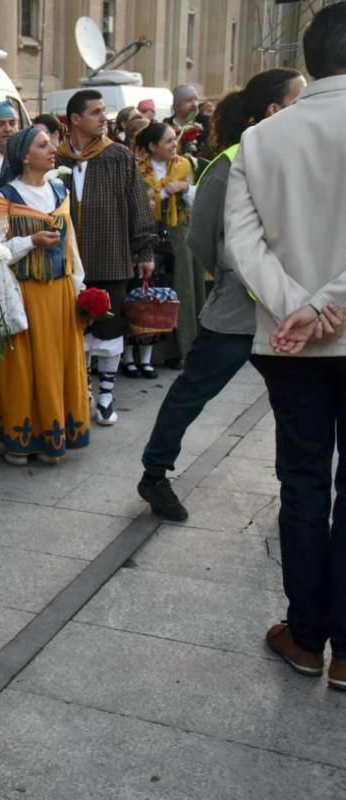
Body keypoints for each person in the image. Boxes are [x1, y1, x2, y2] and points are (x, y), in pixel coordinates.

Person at [223, 4, 346, 691]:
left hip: (289, 337)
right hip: (314, 325)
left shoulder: (264, 139)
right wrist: (328, 303)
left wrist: (302, 306)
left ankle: (305, 635)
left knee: (301, 481)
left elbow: (243, 244)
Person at [137, 68, 305, 523]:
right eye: (298, 98)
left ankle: (298, 492)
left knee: (295, 409)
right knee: (193, 391)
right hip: (238, 311)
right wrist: (236, 275)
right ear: (273, 110)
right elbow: (202, 239)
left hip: (290, 311)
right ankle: (155, 472)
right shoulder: (229, 162)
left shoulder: (300, 155)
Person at [0, 127, 91, 465]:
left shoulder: (60, 190)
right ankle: (22, 439)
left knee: (56, 364)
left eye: (51, 143)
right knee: (26, 367)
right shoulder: (5, 196)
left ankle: (51, 434)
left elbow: (70, 242)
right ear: (25, 156)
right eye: (43, 145)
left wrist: (80, 287)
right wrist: (31, 242)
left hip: (59, 292)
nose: (52, 149)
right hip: (24, 294)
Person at [56, 89, 157, 427]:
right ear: (75, 119)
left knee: (110, 327)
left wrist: (144, 250)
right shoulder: (58, 159)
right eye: (96, 112)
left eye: (105, 111)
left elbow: (137, 204)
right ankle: (82, 391)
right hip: (68, 262)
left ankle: (106, 396)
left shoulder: (118, 156)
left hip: (112, 255)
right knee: (75, 329)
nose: (104, 118)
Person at [128, 122, 200, 373]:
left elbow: (196, 199)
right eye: (168, 141)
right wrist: (158, 195)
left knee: (181, 290)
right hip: (149, 234)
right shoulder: (137, 170)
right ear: (151, 146)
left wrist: (185, 187)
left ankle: (182, 350)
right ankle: (148, 354)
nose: (174, 145)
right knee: (151, 290)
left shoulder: (184, 166)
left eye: (174, 140)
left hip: (179, 234)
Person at [165, 84, 211, 162]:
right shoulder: (166, 125)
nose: (194, 104)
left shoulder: (206, 123)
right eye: (189, 100)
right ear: (177, 106)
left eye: (196, 100)